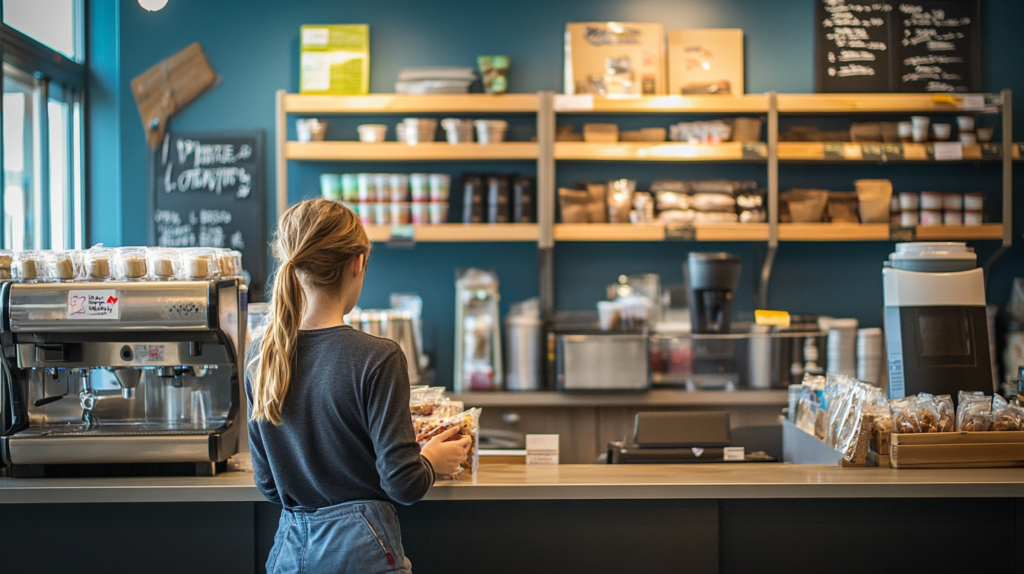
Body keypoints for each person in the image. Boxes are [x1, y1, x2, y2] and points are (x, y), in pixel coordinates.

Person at [246, 199, 469, 573]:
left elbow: (269, 484)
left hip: (289, 551)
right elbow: (403, 483)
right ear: (358, 263)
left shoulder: (261, 356)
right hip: (360, 551)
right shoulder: (377, 357)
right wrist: (431, 460)